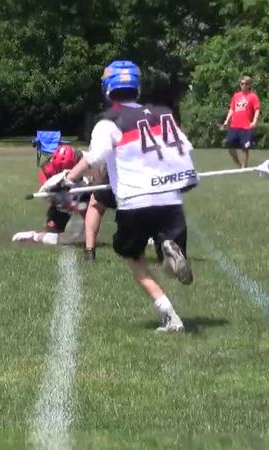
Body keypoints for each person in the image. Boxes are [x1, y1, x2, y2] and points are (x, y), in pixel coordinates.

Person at [43, 60, 197, 332]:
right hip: (170, 200)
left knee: (133, 258)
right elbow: (185, 148)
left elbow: (93, 157)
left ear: (107, 88)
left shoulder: (108, 122)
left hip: (135, 201)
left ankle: (169, 315)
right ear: (137, 87)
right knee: (169, 265)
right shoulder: (162, 115)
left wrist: (67, 179)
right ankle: (169, 250)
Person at [12, 144, 86, 245]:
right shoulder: (47, 172)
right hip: (60, 202)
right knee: (52, 237)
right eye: (59, 169)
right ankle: (32, 236)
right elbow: (48, 196)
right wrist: (65, 203)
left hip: (81, 197)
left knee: (87, 219)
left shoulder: (83, 163)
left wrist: (79, 203)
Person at [222, 76, 260, 168]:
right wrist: (227, 120)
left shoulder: (253, 96)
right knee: (230, 147)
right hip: (234, 126)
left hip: (246, 127)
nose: (244, 85)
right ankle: (238, 164)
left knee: (245, 148)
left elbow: (257, 109)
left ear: (249, 85)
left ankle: (244, 166)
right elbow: (232, 109)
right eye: (242, 83)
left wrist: (254, 121)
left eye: (246, 84)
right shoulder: (236, 96)